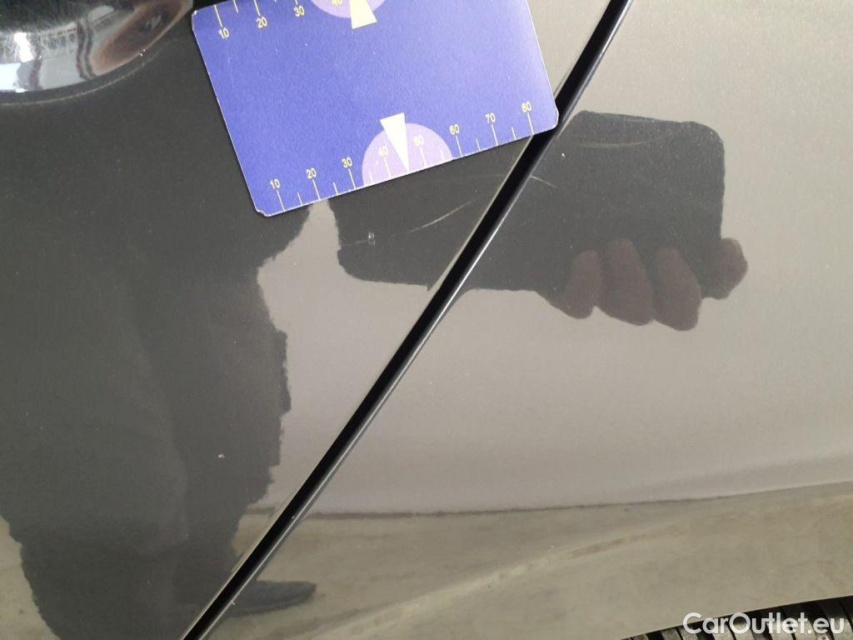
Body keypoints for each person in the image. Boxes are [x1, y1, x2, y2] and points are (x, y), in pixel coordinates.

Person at [0, 22, 746, 640]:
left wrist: (526, 216)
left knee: (233, 427)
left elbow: (388, 132)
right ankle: (122, 625)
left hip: (200, 220)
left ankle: (199, 585)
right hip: (32, 195)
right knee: (99, 470)